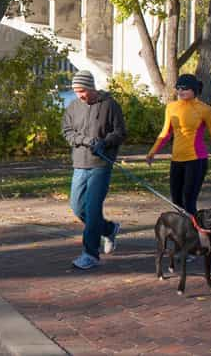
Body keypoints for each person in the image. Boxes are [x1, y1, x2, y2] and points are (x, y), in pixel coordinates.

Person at [62, 70, 127, 270]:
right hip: (80, 164)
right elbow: (67, 131)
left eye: (82, 91)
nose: (79, 95)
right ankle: (109, 229)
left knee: (92, 209)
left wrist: (104, 142)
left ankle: (90, 254)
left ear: (91, 87)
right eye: (75, 91)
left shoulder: (110, 105)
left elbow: (120, 132)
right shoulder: (73, 107)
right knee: (77, 207)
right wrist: (84, 140)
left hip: (101, 165)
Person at [146, 74, 211, 216]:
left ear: (194, 90)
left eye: (184, 89)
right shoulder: (171, 107)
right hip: (177, 160)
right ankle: (183, 233)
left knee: (188, 201)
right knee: (176, 201)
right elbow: (165, 132)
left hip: (196, 160)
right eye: (178, 88)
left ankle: (195, 233)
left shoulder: (205, 110)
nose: (180, 92)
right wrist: (152, 152)